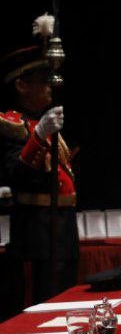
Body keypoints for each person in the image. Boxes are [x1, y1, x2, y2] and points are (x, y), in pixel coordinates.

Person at [0, 45, 78, 309]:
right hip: (36, 229)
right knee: (42, 301)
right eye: (42, 82)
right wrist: (39, 136)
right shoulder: (12, 124)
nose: (49, 87)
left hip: (63, 224)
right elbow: (16, 174)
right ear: (22, 85)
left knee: (65, 298)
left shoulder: (43, 122)